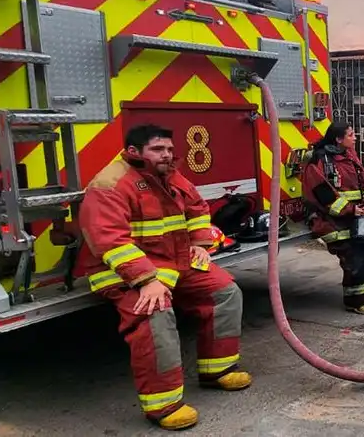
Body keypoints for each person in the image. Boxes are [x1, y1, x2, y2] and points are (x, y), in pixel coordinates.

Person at [79, 124, 251, 432]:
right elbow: (109, 241)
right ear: (134, 152)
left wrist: (200, 244)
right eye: (159, 150)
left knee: (225, 291)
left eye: (170, 149)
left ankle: (217, 370)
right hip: (122, 272)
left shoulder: (170, 175)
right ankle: (163, 404)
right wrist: (145, 280)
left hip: (173, 264)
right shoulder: (110, 184)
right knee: (154, 313)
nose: (168, 155)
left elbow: (197, 207)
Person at [301, 122, 364, 314]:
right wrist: (350, 210)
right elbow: (322, 193)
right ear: (338, 139)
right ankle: (356, 299)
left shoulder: (350, 156)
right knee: (353, 252)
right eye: (351, 135)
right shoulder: (318, 160)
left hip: (354, 215)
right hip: (329, 219)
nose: (355, 138)